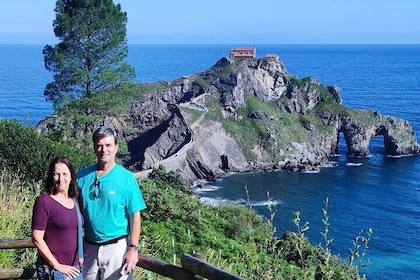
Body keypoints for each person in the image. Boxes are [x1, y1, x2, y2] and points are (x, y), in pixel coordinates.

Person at [77, 126, 146, 280]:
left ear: (116, 148)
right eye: (99, 145)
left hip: (117, 249)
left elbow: (135, 215)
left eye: (108, 145)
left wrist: (133, 248)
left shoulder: (127, 178)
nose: (103, 150)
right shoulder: (81, 177)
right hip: (89, 248)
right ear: (94, 147)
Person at [32, 156, 83, 280]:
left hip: (75, 269)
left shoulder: (74, 200)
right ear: (51, 177)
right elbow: (37, 238)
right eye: (57, 174)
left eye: (65, 174)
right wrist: (57, 265)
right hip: (53, 271)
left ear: (71, 176)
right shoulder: (44, 201)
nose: (61, 179)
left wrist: (80, 256)